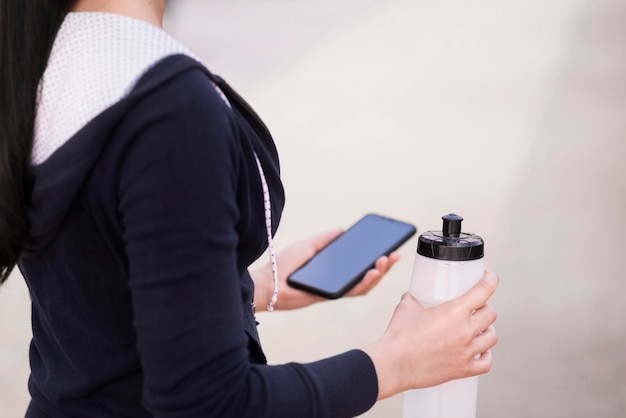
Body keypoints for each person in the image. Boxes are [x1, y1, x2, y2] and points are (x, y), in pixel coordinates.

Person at [0, 1, 499, 417]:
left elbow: (92, 284)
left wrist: (250, 287)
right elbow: (209, 404)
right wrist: (399, 362)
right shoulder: (167, 108)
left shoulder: (43, 57)